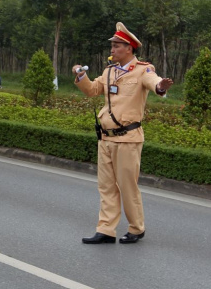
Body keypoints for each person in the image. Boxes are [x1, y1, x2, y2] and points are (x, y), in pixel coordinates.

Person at [72, 22, 173, 245]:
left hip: (128, 138)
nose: (112, 49)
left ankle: (136, 228)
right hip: (105, 138)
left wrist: (161, 86)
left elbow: (154, 82)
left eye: (116, 45)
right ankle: (106, 229)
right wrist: (80, 76)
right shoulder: (109, 72)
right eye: (112, 46)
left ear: (129, 48)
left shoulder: (142, 70)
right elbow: (92, 90)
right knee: (106, 187)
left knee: (127, 186)